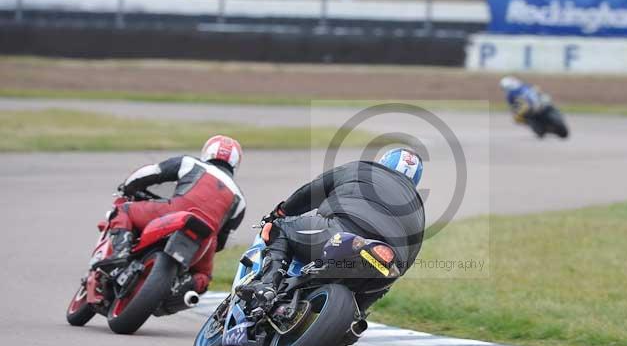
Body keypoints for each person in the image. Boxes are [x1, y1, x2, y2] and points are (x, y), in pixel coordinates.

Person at [241, 147, 426, 306]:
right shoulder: (418, 209)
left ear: (383, 162)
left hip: (341, 232)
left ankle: (267, 285)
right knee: (386, 280)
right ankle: (353, 322)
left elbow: (313, 190)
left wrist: (280, 212)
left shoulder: (364, 169)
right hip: (383, 265)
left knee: (278, 228)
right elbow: (404, 265)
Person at [103, 135, 246, 294]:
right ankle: (183, 287)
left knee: (123, 210)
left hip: (174, 211)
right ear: (235, 163)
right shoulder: (240, 199)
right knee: (203, 276)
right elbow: (223, 241)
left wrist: (128, 186)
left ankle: (120, 252)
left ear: (207, 152)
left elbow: (153, 172)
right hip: (206, 239)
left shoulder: (191, 163)